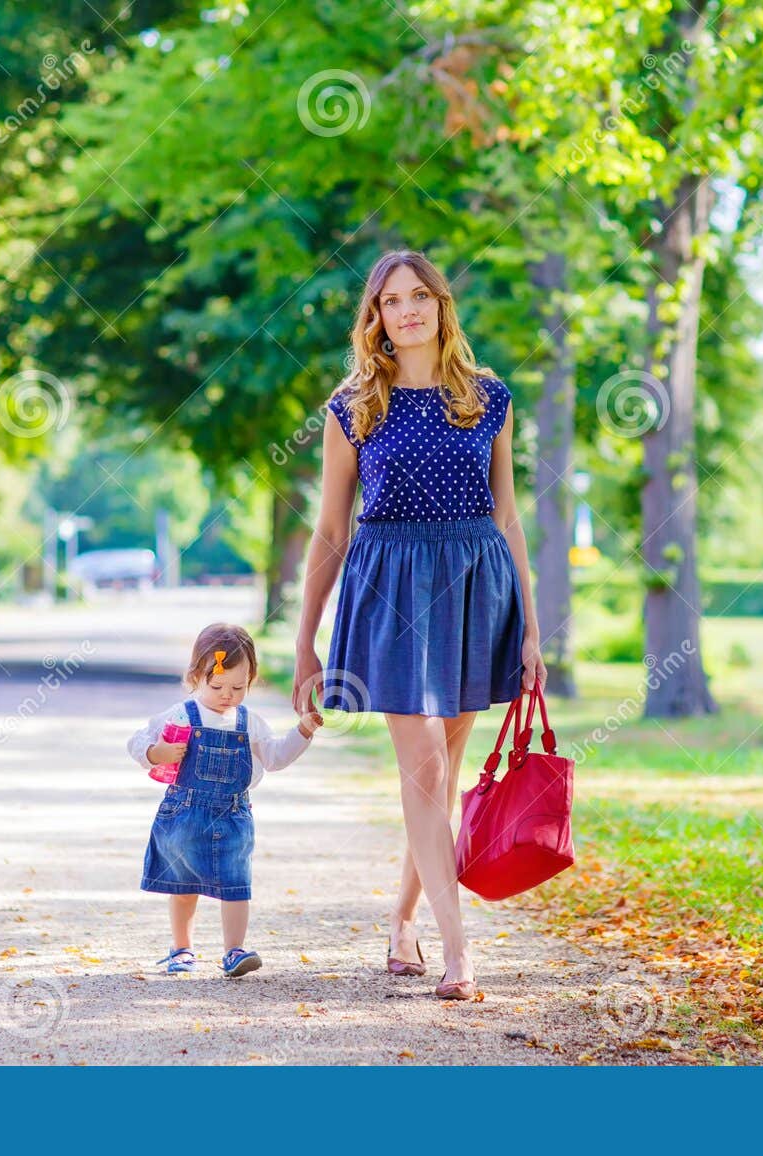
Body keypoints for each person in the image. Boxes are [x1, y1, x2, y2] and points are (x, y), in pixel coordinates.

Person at [292, 249, 547, 1001]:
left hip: (476, 587)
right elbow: (331, 530)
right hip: (391, 588)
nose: (407, 311)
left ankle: (401, 922)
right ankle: (458, 953)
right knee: (428, 768)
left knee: (440, 776)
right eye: (391, 300)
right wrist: (304, 640)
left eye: (419, 297)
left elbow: (507, 515)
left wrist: (531, 628)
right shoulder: (353, 407)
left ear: (440, 306)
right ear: (375, 317)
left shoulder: (489, 398)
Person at [129, 623, 322, 976]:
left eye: (238, 687)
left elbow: (276, 757)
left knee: (236, 885)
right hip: (186, 813)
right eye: (217, 686)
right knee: (185, 885)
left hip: (234, 815)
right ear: (195, 677)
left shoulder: (250, 723)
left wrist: (303, 731)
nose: (227, 695)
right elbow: (137, 744)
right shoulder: (180, 714)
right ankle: (181, 949)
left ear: (251, 680)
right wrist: (158, 753)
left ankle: (234, 950)